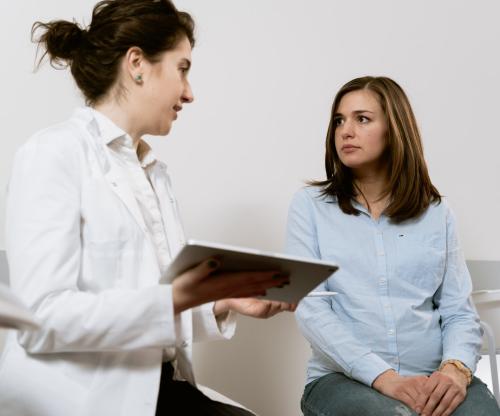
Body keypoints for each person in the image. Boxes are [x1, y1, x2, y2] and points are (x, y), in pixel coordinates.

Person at [0, 1, 294, 415]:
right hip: (78, 399)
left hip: (156, 390)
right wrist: (173, 297)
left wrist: (221, 302)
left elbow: (144, 315)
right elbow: (40, 319)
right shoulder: (52, 154)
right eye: (183, 68)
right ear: (137, 63)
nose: (190, 93)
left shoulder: (153, 173)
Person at [286, 76, 500, 416]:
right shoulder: (310, 207)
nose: (345, 130)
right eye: (339, 120)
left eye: (362, 119)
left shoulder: (436, 213)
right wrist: (384, 378)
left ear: (394, 129)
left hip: (435, 376)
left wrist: (455, 370)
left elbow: (458, 311)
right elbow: (312, 311)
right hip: (343, 381)